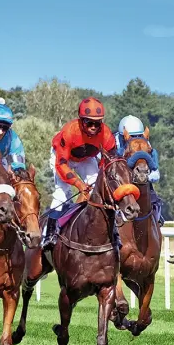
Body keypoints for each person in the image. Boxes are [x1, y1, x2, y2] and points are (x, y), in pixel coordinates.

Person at [43, 97, 117, 248]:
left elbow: (107, 162)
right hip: (63, 159)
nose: (93, 127)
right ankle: (48, 235)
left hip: (86, 159)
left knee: (97, 188)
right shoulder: (69, 131)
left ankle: (109, 230)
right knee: (62, 193)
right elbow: (61, 165)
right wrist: (78, 184)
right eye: (89, 122)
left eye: (97, 123)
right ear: (81, 120)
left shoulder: (107, 135)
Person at [116, 114, 164, 225]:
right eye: (132, 136)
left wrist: (146, 177)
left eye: (138, 135)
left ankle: (157, 219)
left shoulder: (147, 145)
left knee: (155, 199)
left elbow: (156, 174)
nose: (135, 139)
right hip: (120, 182)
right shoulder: (115, 144)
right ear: (123, 136)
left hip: (143, 180)